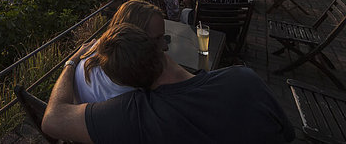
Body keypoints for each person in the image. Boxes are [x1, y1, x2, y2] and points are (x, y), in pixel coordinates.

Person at [42, 23, 295, 143]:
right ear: (161, 45)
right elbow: (288, 134)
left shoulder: (134, 115)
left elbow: (52, 119)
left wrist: (71, 61)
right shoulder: (243, 79)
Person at [75, 0, 167, 103]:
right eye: (157, 39)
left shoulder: (98, 47)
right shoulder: (127, 95)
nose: (165, 46)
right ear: (135, 38)